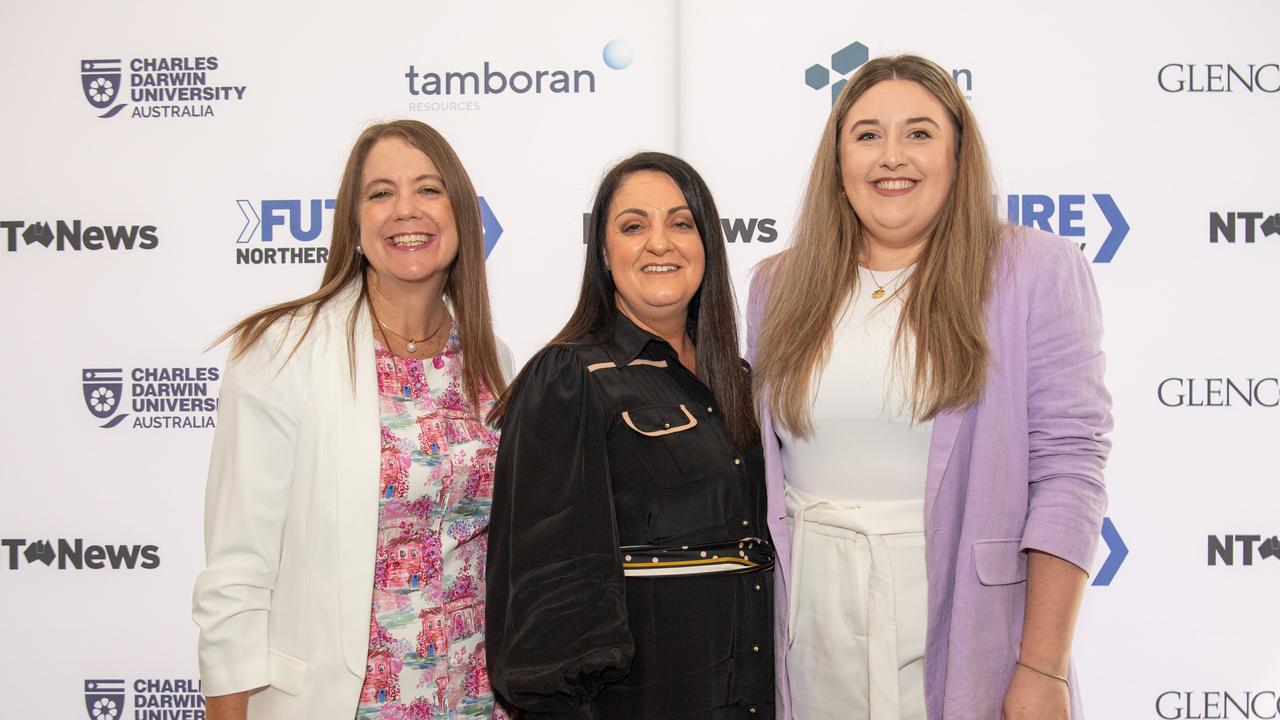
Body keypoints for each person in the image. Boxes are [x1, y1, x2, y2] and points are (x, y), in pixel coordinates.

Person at [748, 55, 1111, 720]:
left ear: (957, 155)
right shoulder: (777, 285)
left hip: (967, 632)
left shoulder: (1034, 271)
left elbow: (1069, 471)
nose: (892, 157)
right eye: (866, 135)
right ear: (836, 162)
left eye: (918, 133)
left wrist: (1042, 668)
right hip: (808, 636)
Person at [192, 120, 513, 720]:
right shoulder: (282, 350)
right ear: (355, 225)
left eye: (429, 189)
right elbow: (238, 568)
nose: (406, 210)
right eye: (381, 192)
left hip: (477, 699)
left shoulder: (494, 362)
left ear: (463, 217)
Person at [486, 152, 775, 719]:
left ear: (707, 244)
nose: (660, 243)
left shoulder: (739, 381)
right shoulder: (569, 376)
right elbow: (547, 588)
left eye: (681, 222)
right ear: (602, 252)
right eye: (634, 226)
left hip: (751, 696)